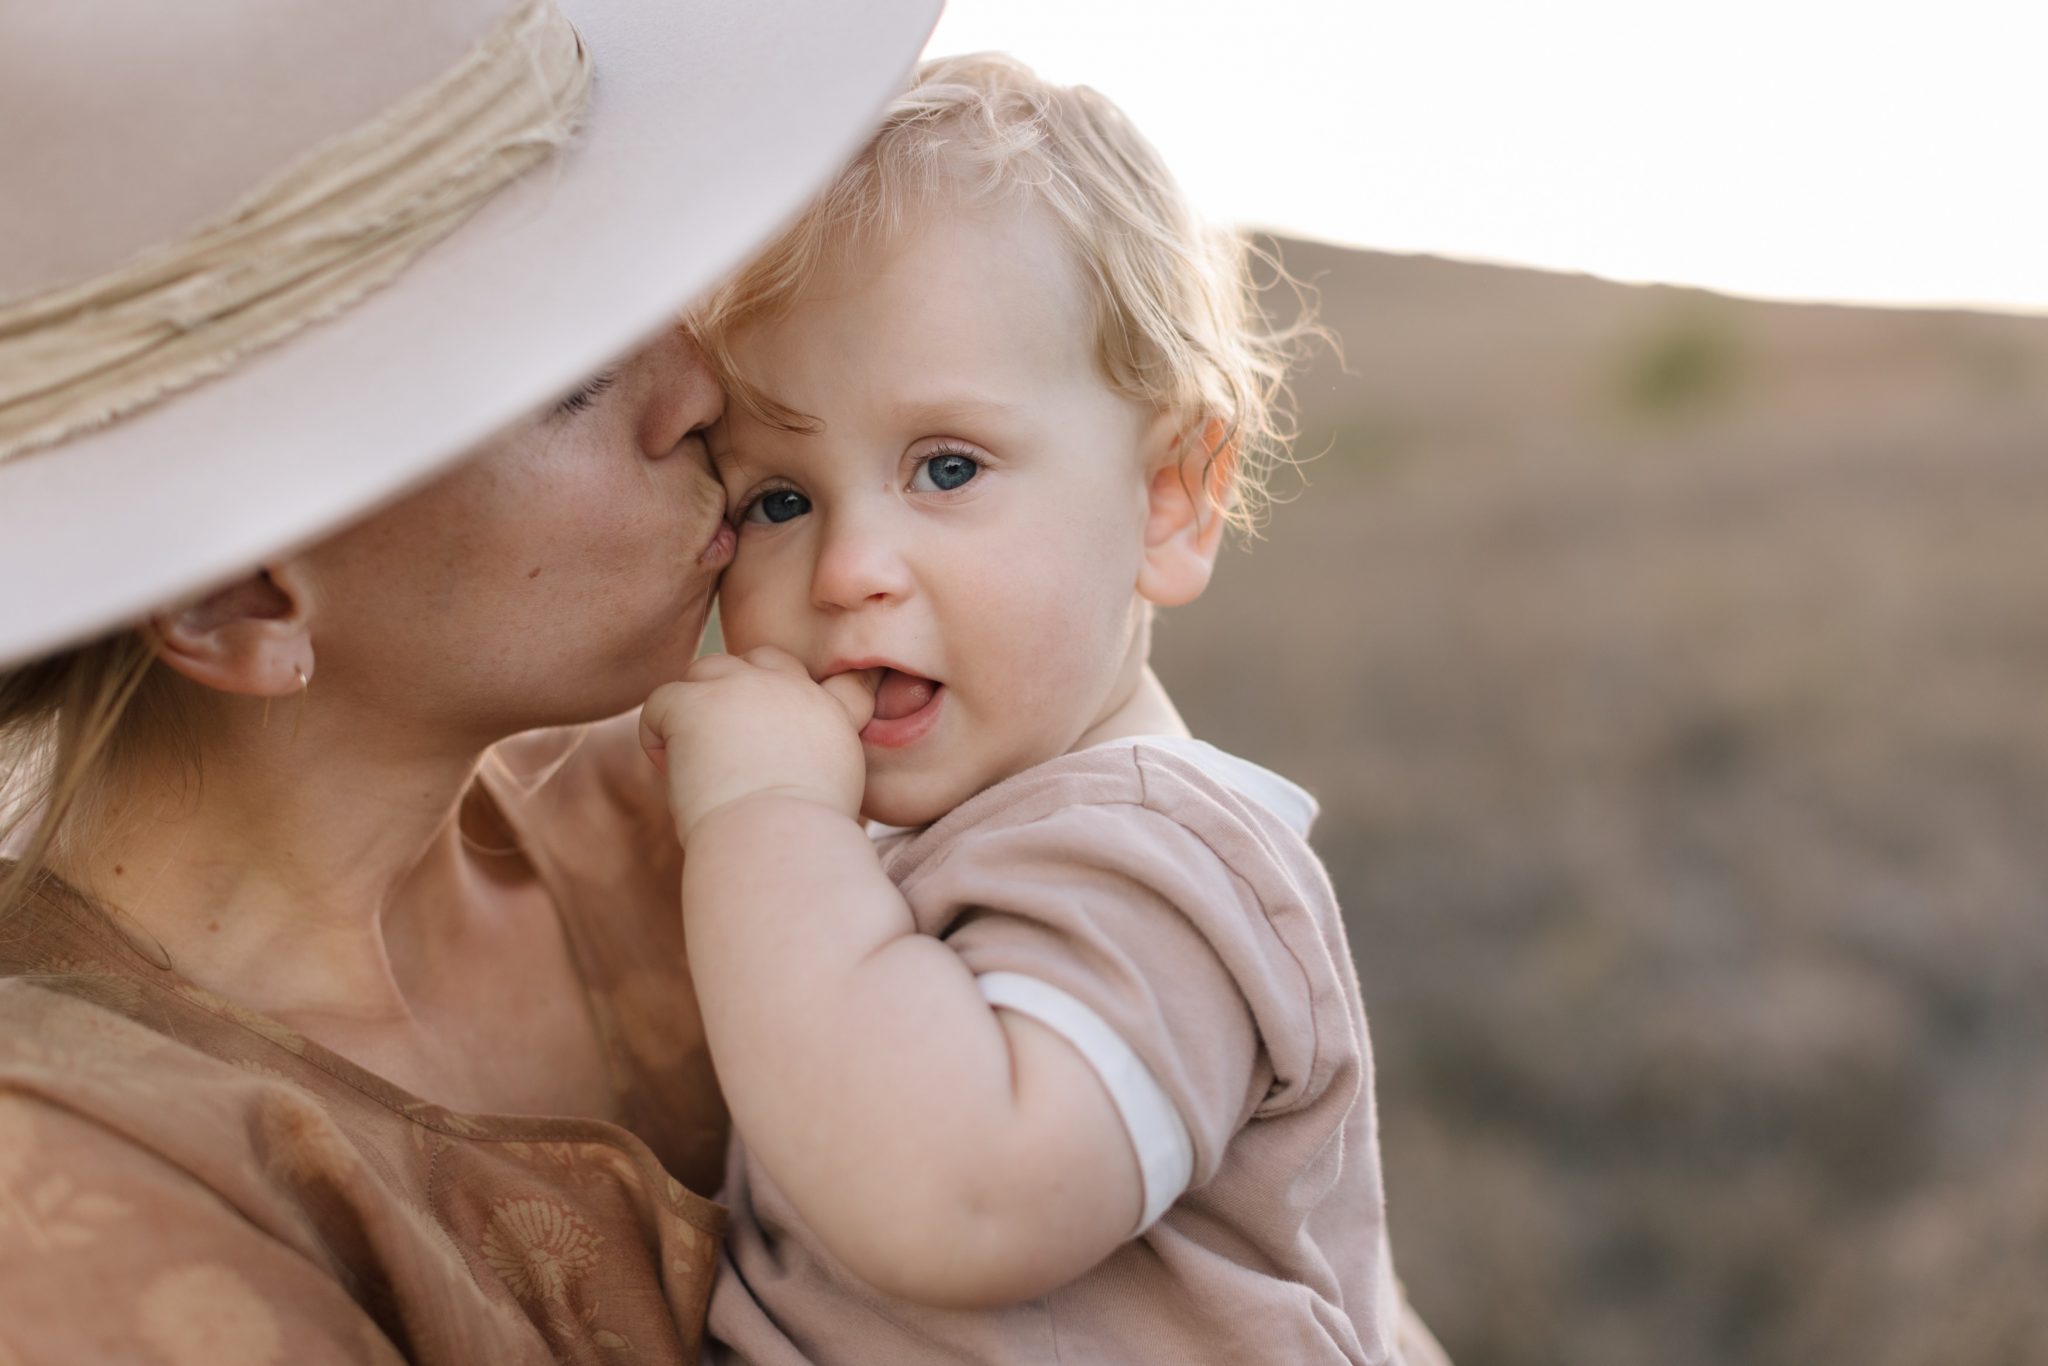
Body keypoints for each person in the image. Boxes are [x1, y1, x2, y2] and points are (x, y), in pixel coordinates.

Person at [0, 0, 935, 1360]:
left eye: (635, 280)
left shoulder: (727, 801)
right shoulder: (75, 1197)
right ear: (238, 599)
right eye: (560, 373)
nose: (697, 388)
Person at [641, 54, 1450, 1365]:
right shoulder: (947, 836)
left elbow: (958, 1193)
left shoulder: (1163, 864)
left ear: (1171, 499)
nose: (850, 567)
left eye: (945, 466)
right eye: (778, 498)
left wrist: (764, 816)